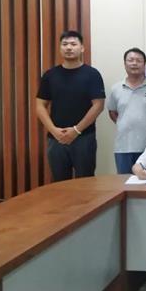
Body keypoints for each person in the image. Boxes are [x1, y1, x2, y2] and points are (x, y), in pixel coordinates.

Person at [36, 30, 105, 182]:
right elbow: (40, 105)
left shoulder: (92, 74)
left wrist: (76, 130)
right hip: (56, 138)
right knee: (59, 184)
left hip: (84, 137)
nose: (68, 47)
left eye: (73, 44)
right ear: (60, 48)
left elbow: (98, 105)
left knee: (85, 183)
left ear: (82, 48)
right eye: (65, 44)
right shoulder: (50, 75)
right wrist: (54, 130)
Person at [107, 48, 146, 174]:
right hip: (123, 146)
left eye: (139, 60)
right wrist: (124, 123)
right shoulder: (116, 88)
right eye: (131, 60)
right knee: (123, 182)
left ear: (144, 64)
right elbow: (112, 112)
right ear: (124, 64)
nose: (134, 63)